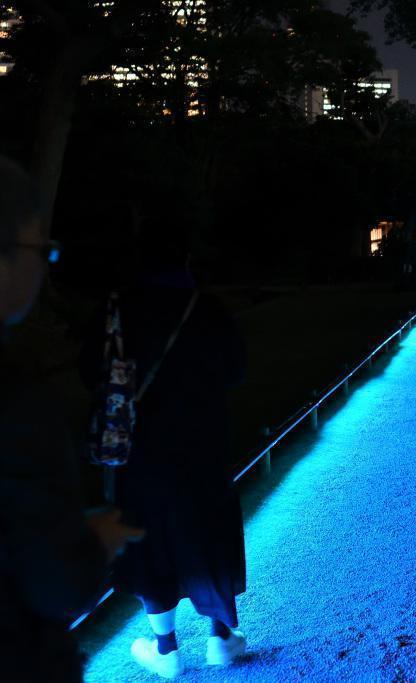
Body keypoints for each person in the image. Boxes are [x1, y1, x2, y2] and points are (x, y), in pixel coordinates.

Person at [80, 222, 247, 679]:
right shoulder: (207, 309)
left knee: (148, 540)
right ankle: (220, 638)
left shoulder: (116, 310)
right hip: (203, 447)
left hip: (140, 453)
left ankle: (166, 648)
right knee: (208, 532)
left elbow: (89, 372)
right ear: (185, 260)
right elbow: (236, 370)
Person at [0, 156, 144, 682]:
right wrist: (95, 544)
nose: (43, 266)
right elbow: (58, 584)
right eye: (41, 251)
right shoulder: (18, 406)